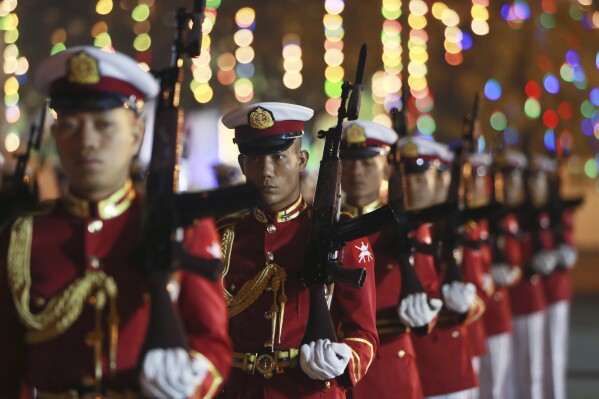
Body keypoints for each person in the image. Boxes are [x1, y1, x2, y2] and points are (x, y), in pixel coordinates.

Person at [0, 46, 232, 398]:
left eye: (104, 125)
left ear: (136, 135)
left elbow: (212, 342)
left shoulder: (182, 227)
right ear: (56, 136)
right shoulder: (23, 238)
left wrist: (192, 378)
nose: (87, 141)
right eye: (71, 125)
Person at [218, 102, 378, 399]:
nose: (266, 171)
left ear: (301, 160)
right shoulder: (223, 237)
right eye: (254, 158)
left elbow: (364, 334)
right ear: (242, 165)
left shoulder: (341, 236)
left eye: (279, 157)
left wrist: (341, 356)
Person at [339, 120, 442, 399]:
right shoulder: (325, 225)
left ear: (386, 169)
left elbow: (430, 291)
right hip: (337, 365)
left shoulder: (406, 226)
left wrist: (424, 312)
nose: (356, 172)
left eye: (367, 164)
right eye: (347, 163)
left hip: (391, 365)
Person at [402, 136, 483, 399]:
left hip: (445, 357)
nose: (412, 188)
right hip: (405, 359)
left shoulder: (451, 229)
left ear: (439, 180)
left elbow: (478, 293)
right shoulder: (395, 228)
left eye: (420, 179)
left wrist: (465, 303)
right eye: (406, 179)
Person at [468, 153, 521, 399]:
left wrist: (507, 273)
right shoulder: (464, 222)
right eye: (471, 178)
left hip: (495, 311)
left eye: (480, 179)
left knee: (495, 387)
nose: (475, 185)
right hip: (470, 319)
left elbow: (514, 262)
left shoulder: (497, 220)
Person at [497, 149, 547, 399]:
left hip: (526, 298)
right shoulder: (500, 214)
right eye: (506, 179)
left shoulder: (527, 215)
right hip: (505, 303)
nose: (510, 186)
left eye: (515, 180)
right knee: (507, 377)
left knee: (530, 371)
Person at [529, 154, 577, 399]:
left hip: (555, 289)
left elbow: (569, 246)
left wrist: (563, 255)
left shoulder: (558, 213)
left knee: (555, 350)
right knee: (535, 355)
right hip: (534, 292)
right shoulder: (528, 213)